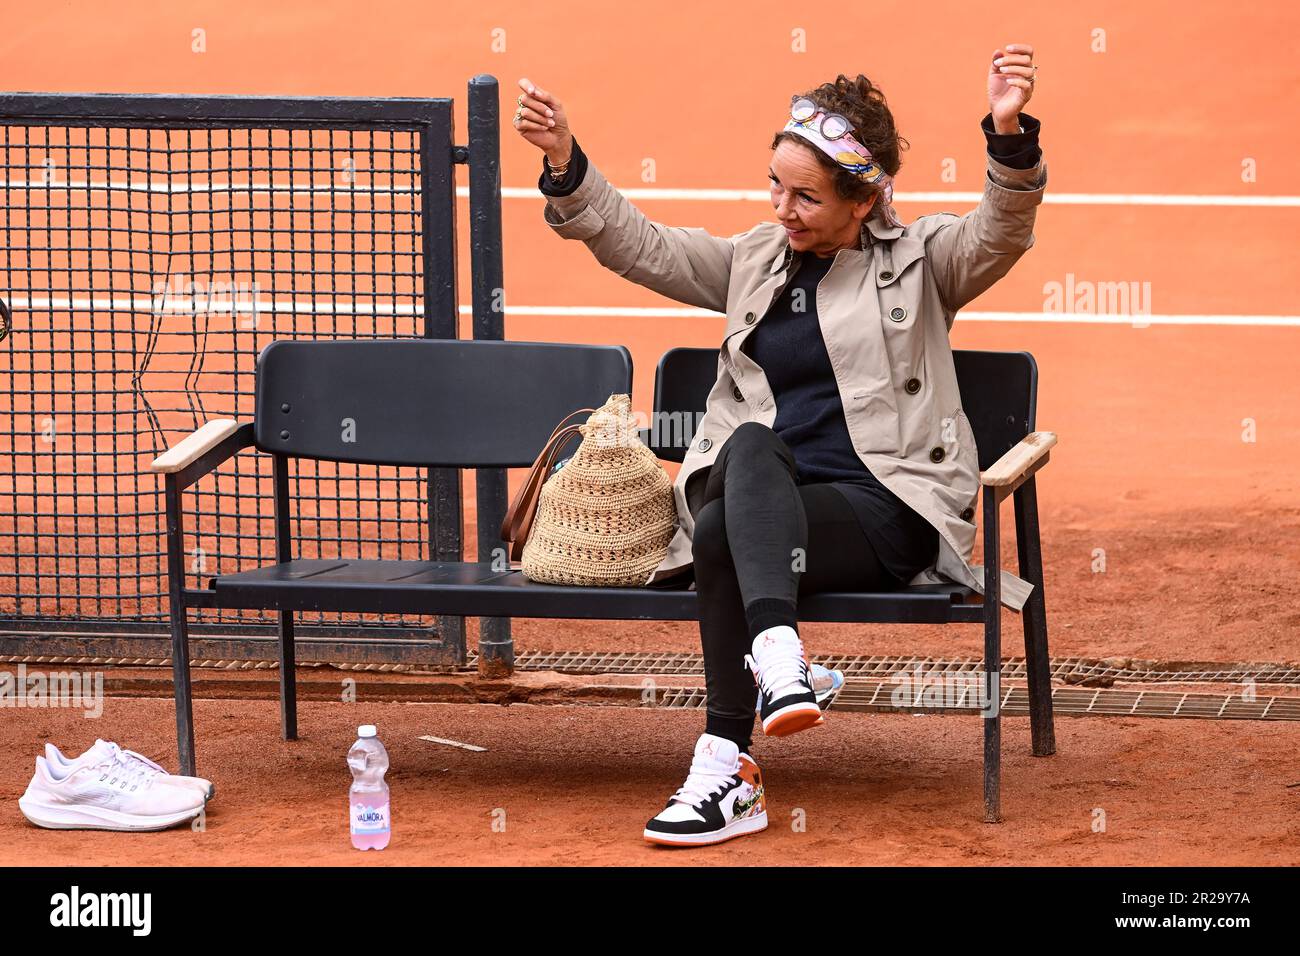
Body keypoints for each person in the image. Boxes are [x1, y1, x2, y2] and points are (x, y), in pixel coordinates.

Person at [513, 44, 1045, 847]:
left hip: (883, 508)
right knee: (743, 476)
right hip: (770, 508)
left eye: (806, 196)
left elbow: (1002, 231)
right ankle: (759, 701)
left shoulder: (922, 263)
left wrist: (1008, 137)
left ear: (862, 202)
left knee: (733, 514)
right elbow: (643, 246)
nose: (783, 208)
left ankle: (734, 748)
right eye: (776, 186)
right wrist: (565, 162)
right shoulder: (754, 260)